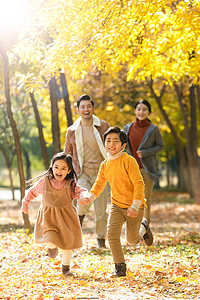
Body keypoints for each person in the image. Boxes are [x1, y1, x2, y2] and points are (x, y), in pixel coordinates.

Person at [79, 127, 153, 277]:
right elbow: (99, 184)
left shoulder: (128, 161)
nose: (111, 144)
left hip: (134, 206)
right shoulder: (105, 164)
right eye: (108, 141)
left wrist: (135, 205)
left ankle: (143, 227)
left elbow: (139, 183)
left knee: (132, 241)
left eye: (115, 141)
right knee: (112, 235)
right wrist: (90, 197)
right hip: (117, 205)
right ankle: (120, 268)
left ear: (123, 146)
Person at [21, 152, 90, 277]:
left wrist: (84, 197)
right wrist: (25, 202)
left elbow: (81, 191)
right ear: (52, 167)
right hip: (49, 218)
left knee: (67, 244)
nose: (59, 170)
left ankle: (66, 269)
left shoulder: (71, 184)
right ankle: (52, 246)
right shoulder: (45, 181)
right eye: (56, 167)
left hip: (67, 217)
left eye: (63, 168)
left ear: (69, 170)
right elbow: (32, 192)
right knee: (50, 239)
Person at [64, 94, 110, 249]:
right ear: (78, 110)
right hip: (82, 173)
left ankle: (101, 240)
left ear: (92, 108)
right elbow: (68, 153)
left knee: (101, 209)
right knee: (82, 204)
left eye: (88, 106)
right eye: (82, 107)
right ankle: (77, 229)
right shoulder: (72, 130)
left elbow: (112, 145)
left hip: (102, 173)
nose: (86, 109)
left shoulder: (103, 126)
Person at [124, 100, 164, 223]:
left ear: (149, 112)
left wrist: (146, 152)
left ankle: (145, 225)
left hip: (147, 169)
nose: (141, 112)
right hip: (132, 169)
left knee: (145, 198)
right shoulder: (127, 128)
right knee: (131, 198)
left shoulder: (153, 129)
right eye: (139, 109)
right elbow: (123, 146)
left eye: (144, 109)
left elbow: (160, 146)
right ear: (135, 111)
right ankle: (134, 225)